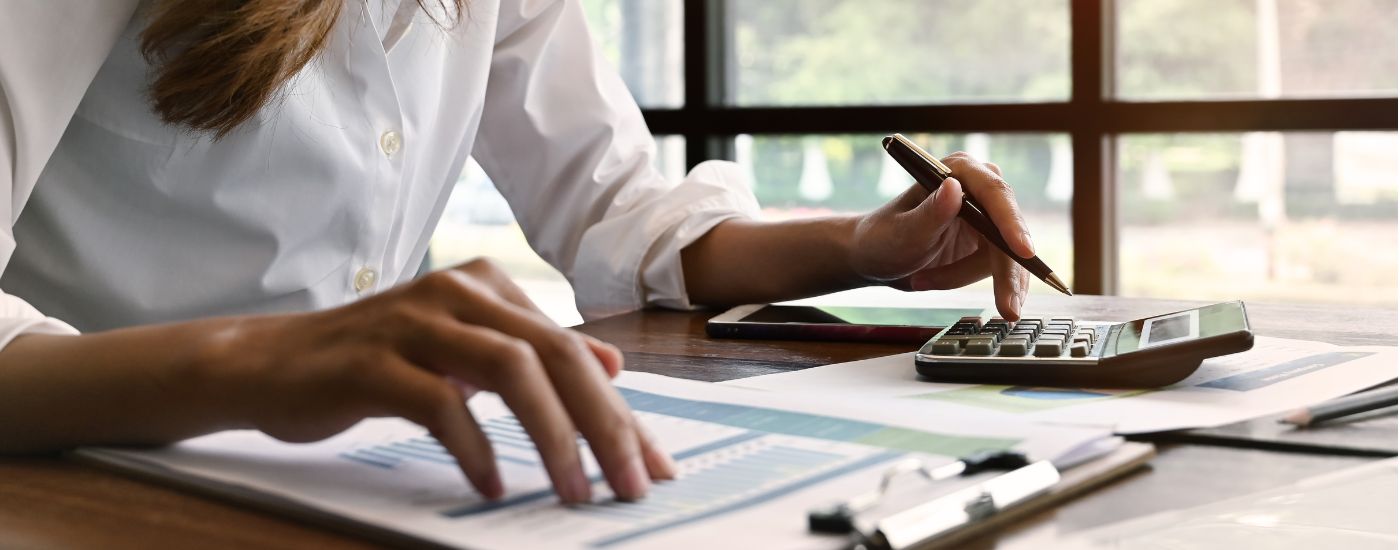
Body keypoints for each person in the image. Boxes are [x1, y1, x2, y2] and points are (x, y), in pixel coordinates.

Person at [0, 0, 1034, 504]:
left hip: (344, 492)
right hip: (78, 493)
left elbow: (619, 213)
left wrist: (864, 241)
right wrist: (261, 360)